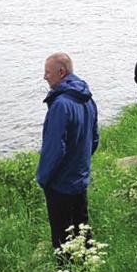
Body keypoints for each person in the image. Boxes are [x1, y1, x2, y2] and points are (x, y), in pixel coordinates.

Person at [36, 53, 100, 249]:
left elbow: (54, 150)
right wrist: (81, 164)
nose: (44, 76)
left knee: (62, 237)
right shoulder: (88, 99)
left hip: (61, 185)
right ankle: (87, 271)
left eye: (48, 72)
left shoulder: (61, 105)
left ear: (61, 72)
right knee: (82, 228)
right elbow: (94, 139)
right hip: (80, 178)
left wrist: (43, 179)